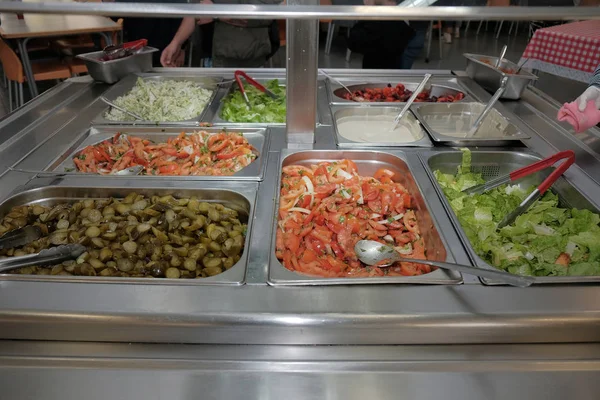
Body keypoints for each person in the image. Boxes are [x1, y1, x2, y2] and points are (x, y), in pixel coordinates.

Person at [161, 0, 281, 68]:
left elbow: (283, 8)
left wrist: (219, 13)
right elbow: (197, 11)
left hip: (258, 59)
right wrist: (176, 43)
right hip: (215, 59)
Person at [347, 0, 415, 69]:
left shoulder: (379, 25)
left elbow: (353, 43)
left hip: (377, 73)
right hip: (392, 71)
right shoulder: (403, 24)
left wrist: (370, 11)